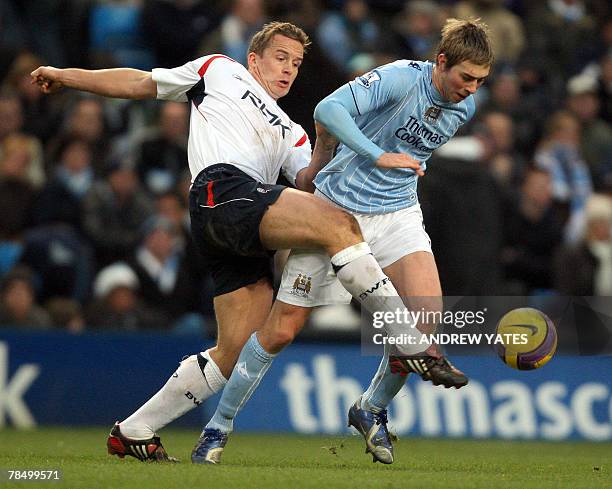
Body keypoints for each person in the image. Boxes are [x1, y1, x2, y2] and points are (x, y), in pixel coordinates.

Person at [31, 21, 428, 462]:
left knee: (234, 348)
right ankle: (404, 334)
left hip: (245, 222)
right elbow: (141, 82)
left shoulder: (290, 129)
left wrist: (322, 146)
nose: (289, 70)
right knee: (336, 224)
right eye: (281, 57)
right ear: (253, 58)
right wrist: (68, 75)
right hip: (223, 191)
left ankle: (135, 429)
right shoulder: (219, 69)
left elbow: (309, 182)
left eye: (296, 64)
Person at [192, 18, 493, 465]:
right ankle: (218, 426)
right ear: (441, 61)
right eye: (466, 78)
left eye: (481, 81)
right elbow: (328, 111)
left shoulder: (463, 108)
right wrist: (372, 154)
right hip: (336, 212)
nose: (471, 89)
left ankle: (370, 409)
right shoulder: (399, 77)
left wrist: (392, 167)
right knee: (280, 331)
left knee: (425, 320)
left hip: (398, 214)